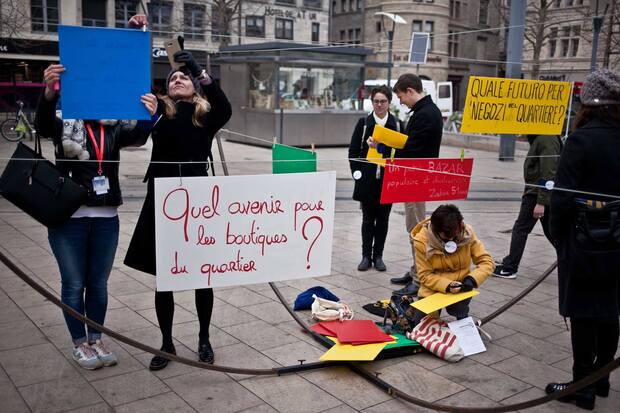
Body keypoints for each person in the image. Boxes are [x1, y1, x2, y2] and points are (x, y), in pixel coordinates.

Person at [123, 15, 232, 371]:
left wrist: (200, 71)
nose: (179, 79)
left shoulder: (205, 115)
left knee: (202, 275)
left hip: (198, 205)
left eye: (184, 76)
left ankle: (203, 337)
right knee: (165, 278)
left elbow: (225, 106)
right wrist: (135, 35)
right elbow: (134, 130)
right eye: (173, 77)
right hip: (163, 201)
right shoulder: (158, 113)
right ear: (166, 89)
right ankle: (167, 342)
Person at [35, 64, 157, 370]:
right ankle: (79, 343)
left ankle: (96, 338)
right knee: (74, 284)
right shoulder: (64, 121)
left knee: (98, 284)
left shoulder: (112, 126)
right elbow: (43, 125)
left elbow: (139, 136)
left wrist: (149, 111)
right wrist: (49, 93)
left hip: (106, 217)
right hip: (68, 218)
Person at [546, 69, 620, 410]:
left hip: (585, 244)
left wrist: (560, 239)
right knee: (609, 312)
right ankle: (601, 379)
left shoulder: (581, 139)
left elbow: (561, 199)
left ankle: (583, 386)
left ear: (587, 103)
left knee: (584, 315)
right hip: (619, 245)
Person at [369, 74, 443, 295]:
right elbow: (411, 145)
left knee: (417, 230)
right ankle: (415, 271)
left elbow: (413, 150)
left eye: (401, 97)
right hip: (413, 177)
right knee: (415, 228)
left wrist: (383, 148)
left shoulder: (426, 114)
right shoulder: (424, 111)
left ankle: (419, 280)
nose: (400, 101)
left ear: (411, 91)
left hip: (417, 179)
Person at [410, 204, 494, 325]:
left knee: (461, 317)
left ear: (461, 225)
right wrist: (448, 285)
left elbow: (487, 261)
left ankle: (462, 315)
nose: (451, 241)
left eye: (454, 236)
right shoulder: (422, 241)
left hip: (461, 287)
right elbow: (425, 275)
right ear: (434, 229)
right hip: (433, 288)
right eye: (446, 238)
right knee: (419, 328)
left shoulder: (467, 234)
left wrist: (472, 279)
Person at [348, 85, 402, 272]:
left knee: (383, 219)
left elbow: (401, 153)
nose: (379, 105)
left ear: (389, 102)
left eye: (383, 101)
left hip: (387, 181)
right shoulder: (363, 123)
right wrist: (357, 174)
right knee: (367, 219)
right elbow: (353, 152)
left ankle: (378, 255)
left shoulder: (396, 124)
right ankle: (365, 256)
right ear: (372, 102)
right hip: (367, 180)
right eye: (376, 101)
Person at [493, 134, 561, 279]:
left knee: (521, 229)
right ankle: (573, 262)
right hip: (538, 192)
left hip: (536, 194)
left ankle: (509, 268)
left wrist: (542, 201)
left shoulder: (546, 138)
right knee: (552, 232)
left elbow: (549, 171)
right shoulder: (541, 137)